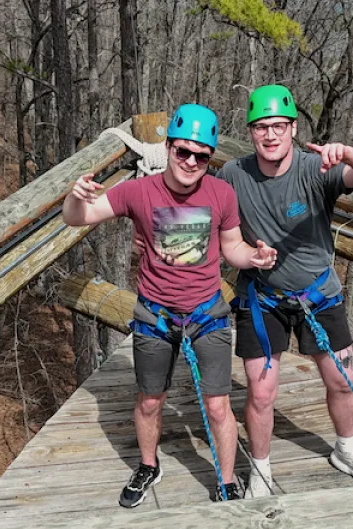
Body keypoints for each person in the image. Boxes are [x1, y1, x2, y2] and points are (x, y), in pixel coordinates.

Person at [62, 103, 277, 508]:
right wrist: (75, 198)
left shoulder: (221, 194)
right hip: (155, 315)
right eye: (183, 151)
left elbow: (232, 248)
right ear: (168, 147)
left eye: (201, 155)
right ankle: (148, 464)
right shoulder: (137, 192)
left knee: (217, 405)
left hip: (206, 313)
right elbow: (78, 218)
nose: (191, 161)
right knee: (149, 399)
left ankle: (226, 480)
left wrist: (255, 258)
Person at [217, 85, 353, 498]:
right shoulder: (233, 176)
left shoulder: (316, 169)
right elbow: (217, 225)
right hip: (264, 298)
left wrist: (345, 153)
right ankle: (260, 468)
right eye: (261, 127)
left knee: (343, 381)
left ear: (293, 128)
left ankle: (346, 449)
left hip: (318, 294)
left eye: (279, 126)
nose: (271, 135)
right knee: (261, 392)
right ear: (250, 132)